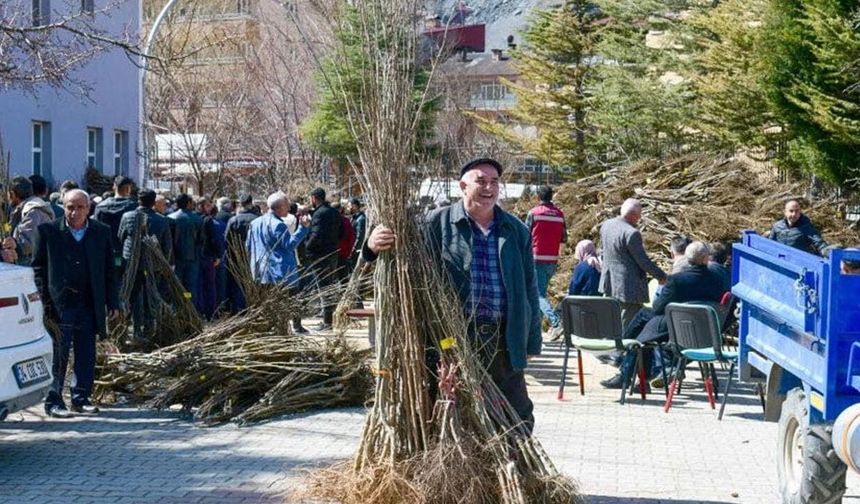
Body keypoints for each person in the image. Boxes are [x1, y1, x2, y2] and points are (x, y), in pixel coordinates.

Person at [365, 157, 541, 433]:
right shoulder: (434, 223)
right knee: (454, 412)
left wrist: (531, 341)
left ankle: (513, 458)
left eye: (494, 182)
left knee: (515, 415)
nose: (489, 188)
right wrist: (372, 246)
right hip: (452, 338)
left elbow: (530, 288)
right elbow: (397, 259)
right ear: (462, 186)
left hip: (503, 338)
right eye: (480, 181)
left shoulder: (516, 230)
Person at [32, 189, 120, 417]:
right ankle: (54, 401)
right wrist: (44, 299)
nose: (75, 212)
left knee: (86, 352)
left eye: (80, 207)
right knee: (58, 353)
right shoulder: (48, 231)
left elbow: (109, 270)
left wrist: (113, 301)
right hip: (59, 305)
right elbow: (38, 268)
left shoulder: (101, 232)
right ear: (63, 207)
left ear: (88, 209)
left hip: (89, 302)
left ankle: (81, 398)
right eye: (70, 207)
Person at [600, 242, 726, 389]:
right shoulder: (718, 280)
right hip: (707, 329)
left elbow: (657, 308)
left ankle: (625, 362)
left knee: (643, 329)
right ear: (706, 258)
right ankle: (635, 372)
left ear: (687, 258)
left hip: (675, 327)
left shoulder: (677, 280)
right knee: (645, 328)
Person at [599, 198, 667, 329]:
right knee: (628, 325)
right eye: (638, 215)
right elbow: (643, 261)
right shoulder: (631, 233)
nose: (639, 219)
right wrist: (661, 276)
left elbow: (603, 251)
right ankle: (623, 343)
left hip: (610, 282)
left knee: (612, 321)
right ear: (632, 215)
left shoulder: (606, 225)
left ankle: (612, 342)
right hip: (628, 288)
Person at [247, 192, 310, 332]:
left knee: (267, 303)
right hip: (280, 271)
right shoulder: (278, 225)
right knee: (289, 300)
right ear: (280, 207)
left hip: (261, 271)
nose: (289, 208)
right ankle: (291, 327)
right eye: (287, 205)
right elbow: (290, 245)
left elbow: (248, 246)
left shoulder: (254, 223)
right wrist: (303, 228)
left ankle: (270, 328)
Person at [118, 189, 173, 342]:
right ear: (153, 202)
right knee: (151, 296)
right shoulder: (161, 220)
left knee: (130, 296)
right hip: (152, 265)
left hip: (131, 264)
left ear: (138, 200)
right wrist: (165, 265)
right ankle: (148, 330)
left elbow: (120, 236)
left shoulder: (127, 216)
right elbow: (167, 246)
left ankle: (125, 330)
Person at [525, 185, 567, 341]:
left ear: (538, 197)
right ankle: (535, 334)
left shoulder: (534, 213)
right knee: (541, 294)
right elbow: (564, 238)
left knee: (537, 295)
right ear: (552, 196)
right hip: (552, 260)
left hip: (536, 259)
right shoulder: (559, 214)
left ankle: (556, 322)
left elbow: (525, 236)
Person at [304, 187, 341, 332]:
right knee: (329, 287)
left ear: (314, 198)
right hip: (333, 253)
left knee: (324, 288)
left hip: (320, 256)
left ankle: (327, 322)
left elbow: (316, 235)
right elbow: (341, 232)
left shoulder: (319, 213)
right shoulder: (334, 212)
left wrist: (307, 247)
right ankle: (328, 320)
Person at [4, 176, 55, 265]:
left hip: (34, 265)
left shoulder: (33, 211)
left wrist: (15, 244)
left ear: (12, 194)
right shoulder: (24, 209)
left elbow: (29, 241)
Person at [93, 176, 138, 272]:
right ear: (129, 189)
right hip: (126, 252)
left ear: (114, 187)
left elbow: (95, 230)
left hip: (104, 251)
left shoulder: (100, 207)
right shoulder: (134, 207)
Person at [224, 193, 259, 314]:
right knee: (253, 283)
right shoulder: (258, 219)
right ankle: (252, 309)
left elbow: (227, 240)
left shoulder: (233, 220)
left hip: (236, 257)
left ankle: (238, 310)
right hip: (255, 256)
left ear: (240, 204)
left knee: (237, 284)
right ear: (251, 203)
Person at [169, 194, 204, 306]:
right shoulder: (197, 219)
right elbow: (201, 240)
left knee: (176, 286)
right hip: (192, 258)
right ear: (189, 203)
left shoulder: (170, 218)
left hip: (175, 259)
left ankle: (176, 310)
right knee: (190, 287)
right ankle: (190, 308)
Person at [196, 197, 223, 319]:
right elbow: (215, 239)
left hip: (197, 257)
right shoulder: (208, 220)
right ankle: (211, 312)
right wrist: (218, 255)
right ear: (201, 206)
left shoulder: (195, 218)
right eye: (207, 205)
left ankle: (200, 311)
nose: (210, 208)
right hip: (208, 257)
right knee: (210, 286)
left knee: (199, 285)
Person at [332, 202, 355, 284]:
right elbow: (351, 238)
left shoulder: (332, 221)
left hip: (334, 252)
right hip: (343, 252)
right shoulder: (346, 221)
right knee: (343, 276)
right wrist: (349, 251)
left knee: (334, 277)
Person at [349, 197, 366, 269]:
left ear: (354, 206)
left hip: (356, 251)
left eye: (349, 206)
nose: (348, 208)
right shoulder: (354, 217)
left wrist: (354, 249)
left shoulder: (361, 219)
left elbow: (360, 236)